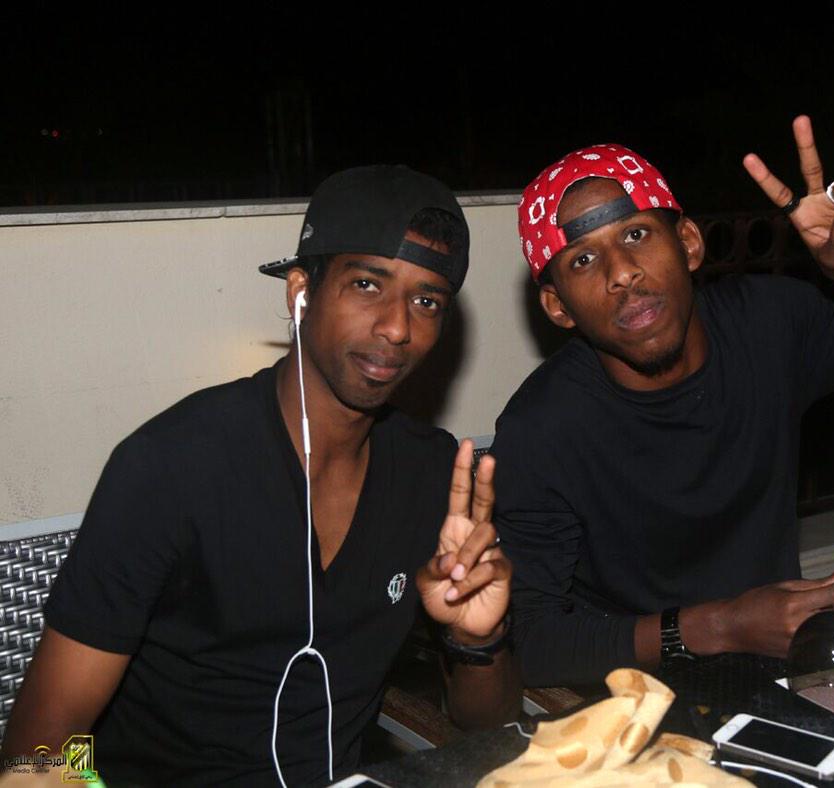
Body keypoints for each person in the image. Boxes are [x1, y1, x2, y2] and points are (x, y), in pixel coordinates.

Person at [1, 166, 520, 785]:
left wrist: (477, 640)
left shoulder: (432, 472)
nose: (397, 326)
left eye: (426, 301)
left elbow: (489, 726)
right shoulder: (170, 468)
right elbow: (38, 746)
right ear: (300, 292)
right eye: (366, 284)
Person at [493, 118, 834, 687]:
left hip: (784, 672)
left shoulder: (769, 325)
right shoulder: (541, 427)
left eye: (637, 234)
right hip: (632, 694)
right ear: (558, 307)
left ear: (688, 243)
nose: (622, 273)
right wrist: (721, 626)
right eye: (582, 260)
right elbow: (533, 643)